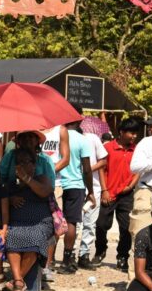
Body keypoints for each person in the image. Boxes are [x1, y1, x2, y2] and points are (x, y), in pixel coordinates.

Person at [4, 148, 55, 291]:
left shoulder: (42, 179)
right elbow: (3, 200)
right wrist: (11, 199)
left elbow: (44, 192)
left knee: (36, 237)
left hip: (40, 223)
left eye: (27, 162)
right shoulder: (12, 184)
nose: (23, 165)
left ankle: (16, 279)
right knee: (12, 235)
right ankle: (19, 281)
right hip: (18, 223)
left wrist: (27, 179)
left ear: (34, 165)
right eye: (20, 162)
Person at [95, 117, 140, 271]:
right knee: (101, 224)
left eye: (135, 133)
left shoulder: (137, 150)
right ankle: (100, 251)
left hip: (127, 194)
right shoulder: (108, 148)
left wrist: (130, 186)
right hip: (109, 192)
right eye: (131, 133)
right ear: (121, 132)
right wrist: (104, 190)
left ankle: (122, 256)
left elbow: (139, 171)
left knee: (126, 227)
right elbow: (101, 169)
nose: (134, 136)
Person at [56, 120, 94, 274]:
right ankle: (66, 259)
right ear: (78, 120)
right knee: (71, 222)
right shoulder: (82, 140)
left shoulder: (56, 134)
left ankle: (49, 259)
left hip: (56, 183)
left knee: (54, 221)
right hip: (75, 185)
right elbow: (86, 169)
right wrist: (90, 190)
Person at [129, 110, 152, 247]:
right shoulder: (147, 142)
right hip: (147, 192)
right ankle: (136, 269)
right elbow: (135, 167)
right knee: (140, 235)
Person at [77, 128, 108, 270]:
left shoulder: (93, 138)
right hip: (73, 185)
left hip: (93, 186)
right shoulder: (66, 138)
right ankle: (69, 254)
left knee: (90, 223)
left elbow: (103, 161)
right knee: (74, 223)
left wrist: (87, 169)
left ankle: (84, 254)